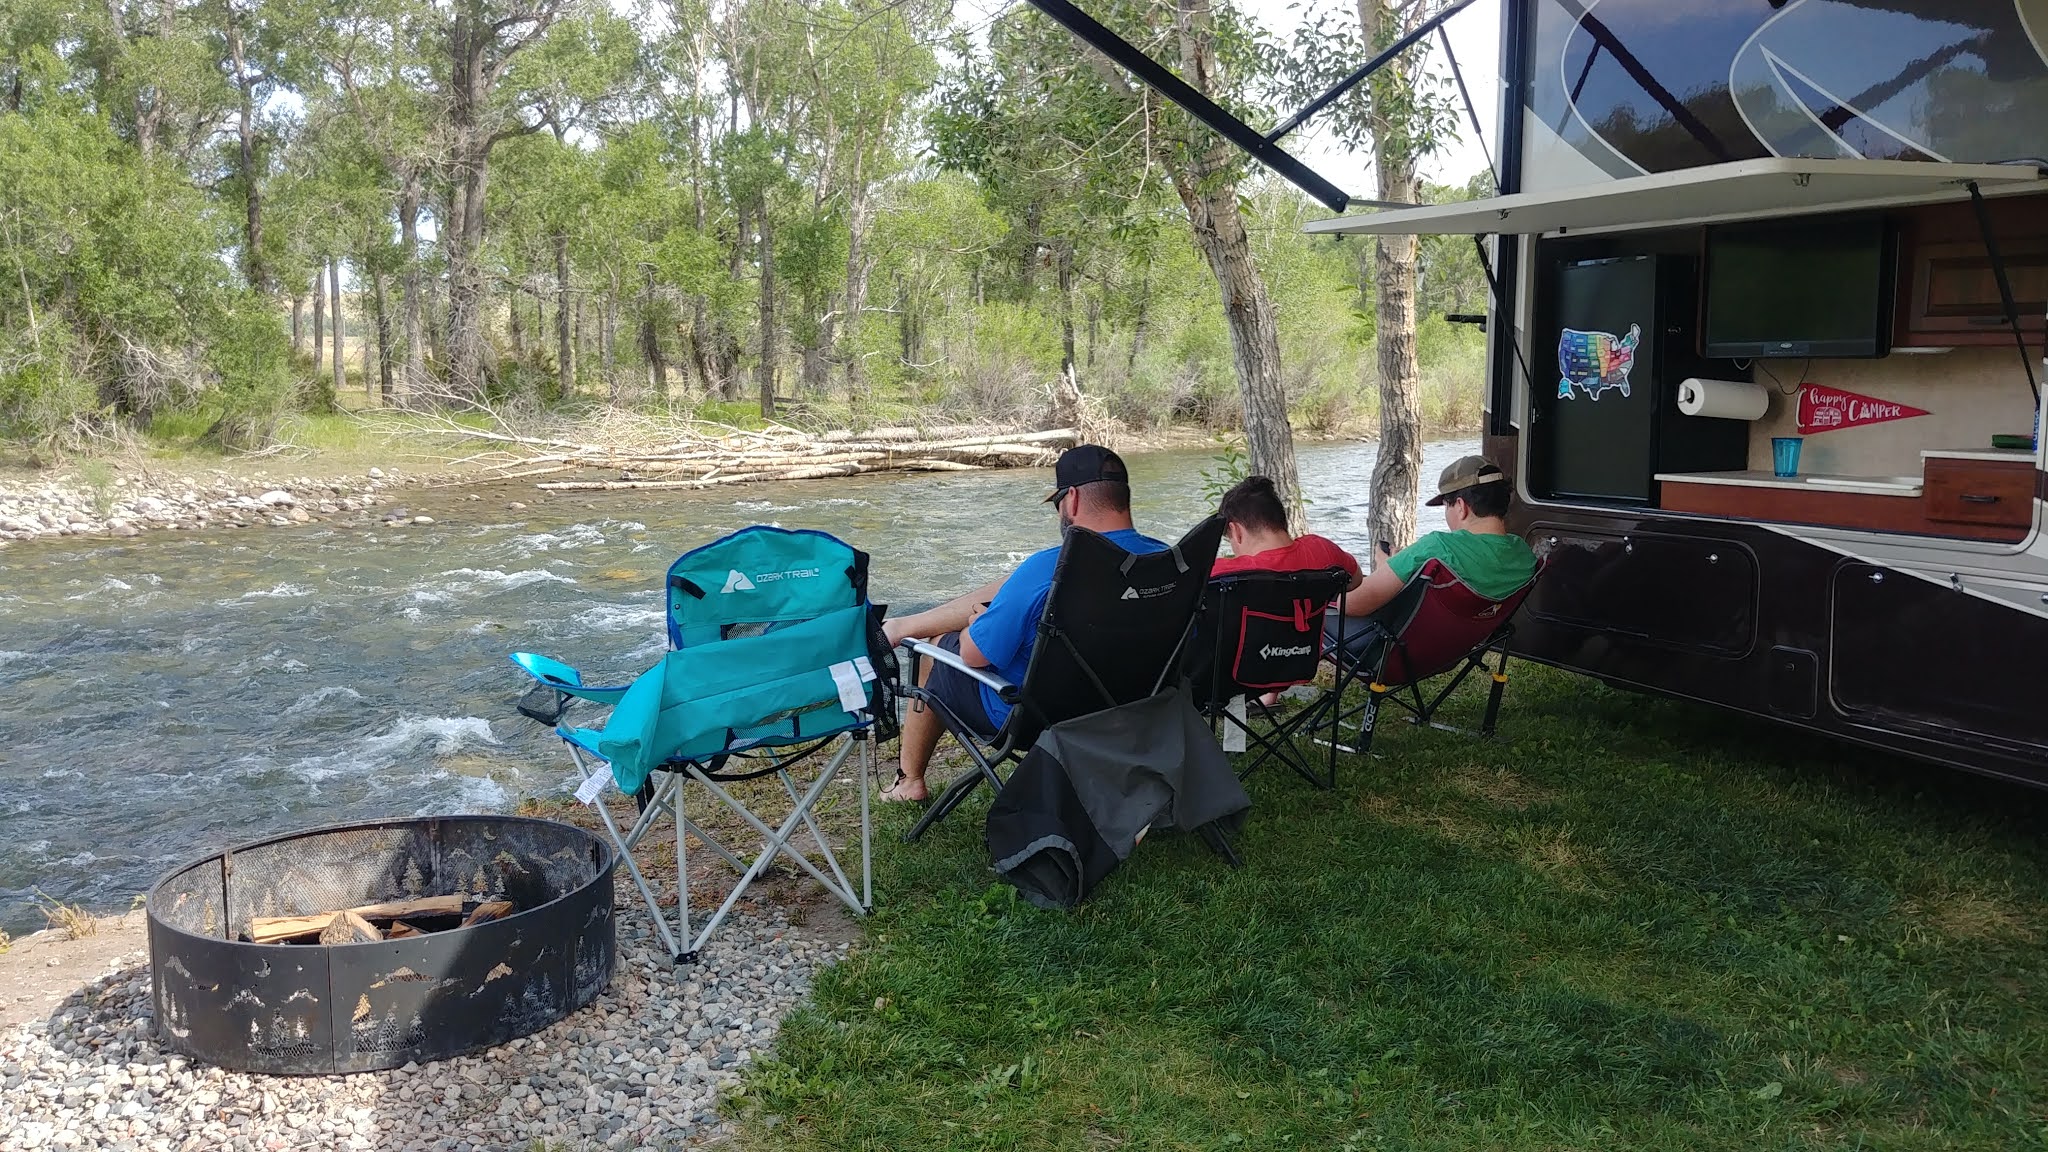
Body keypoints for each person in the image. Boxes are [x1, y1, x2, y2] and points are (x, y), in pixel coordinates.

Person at [879, 445, 1167, 802]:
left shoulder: (1050, 568)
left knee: (933, 651)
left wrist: (977, 623)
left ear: (1072, 500)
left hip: (1036, 718)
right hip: (1131, 711)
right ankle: (906, 626)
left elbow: (973, 655)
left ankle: (909, 783)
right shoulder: (1166, 562)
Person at [1326, 455, 1536, 652]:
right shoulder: (1524, 553)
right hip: (1452, 651)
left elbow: (1353, 604)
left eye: (1447, 506)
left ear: (1461, 507)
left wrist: (1385, 569)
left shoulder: (1437, 547)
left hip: (1396, 657)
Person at [1209, 475, 1362, 586]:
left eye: (1229, 539)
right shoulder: (1323, 549)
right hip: (1311, 631)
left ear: (1236, 531)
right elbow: (1356, 580)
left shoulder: (1220, 573)